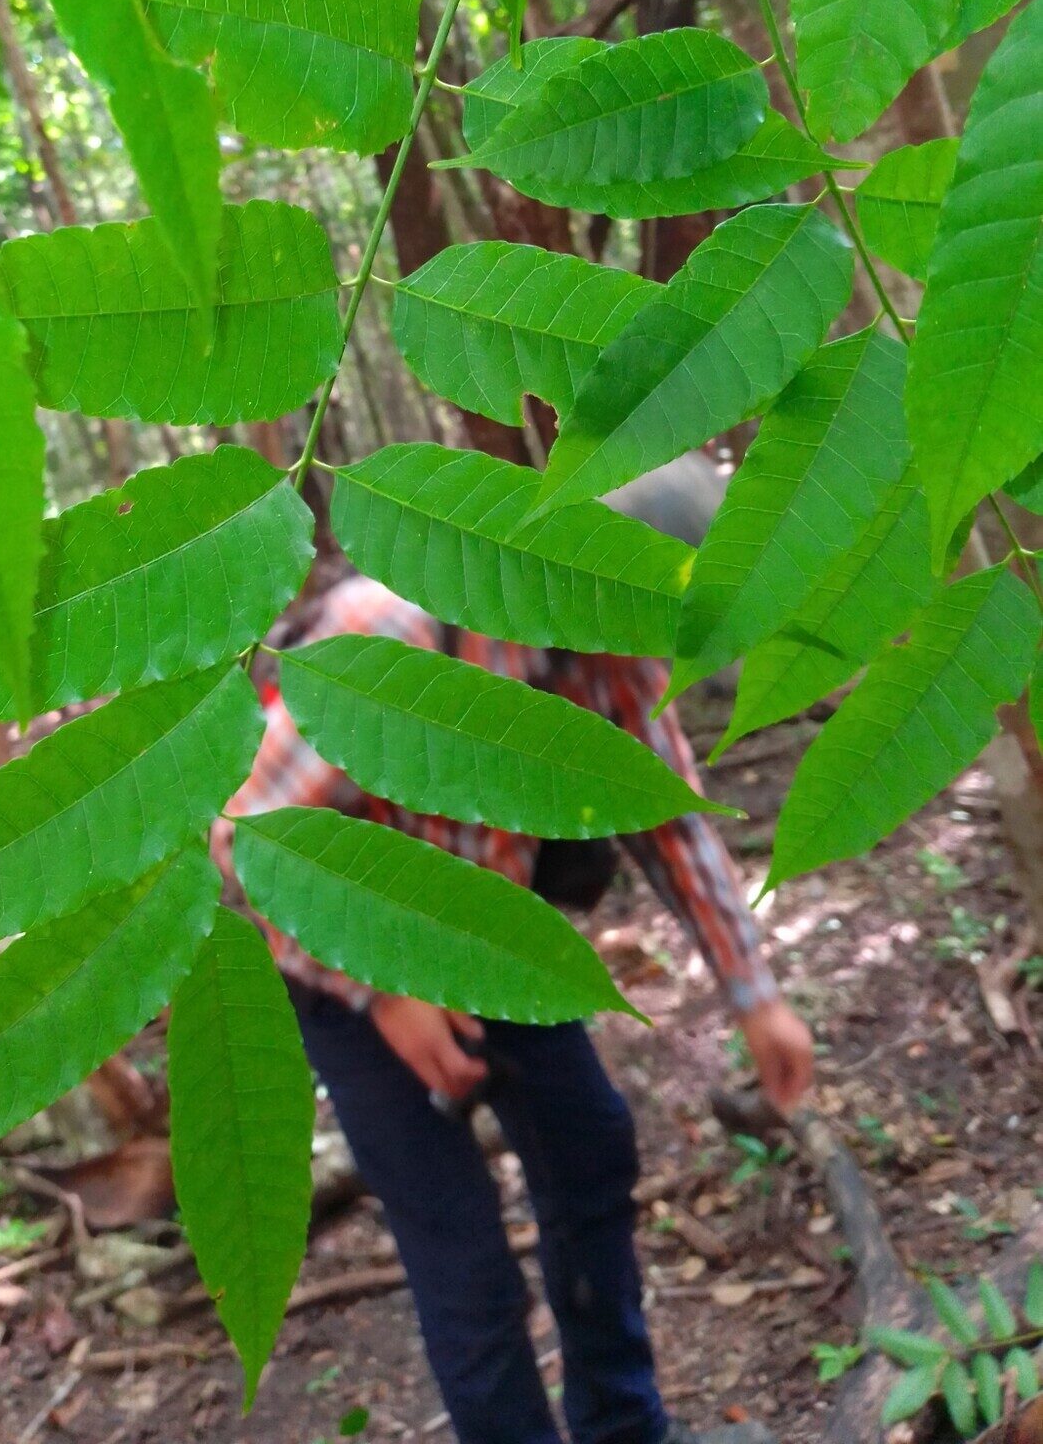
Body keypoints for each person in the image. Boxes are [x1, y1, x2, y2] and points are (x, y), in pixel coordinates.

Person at [216, 567, 813, 1444]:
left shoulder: (614, 656)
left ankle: (622, 1427)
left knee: (590, 1153)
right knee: (462, 1255)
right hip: (348, 977)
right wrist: (380, 987)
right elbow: (245, 839)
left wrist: (753, 997)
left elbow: (667, 818)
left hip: (492, 948)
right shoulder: (388, 636)